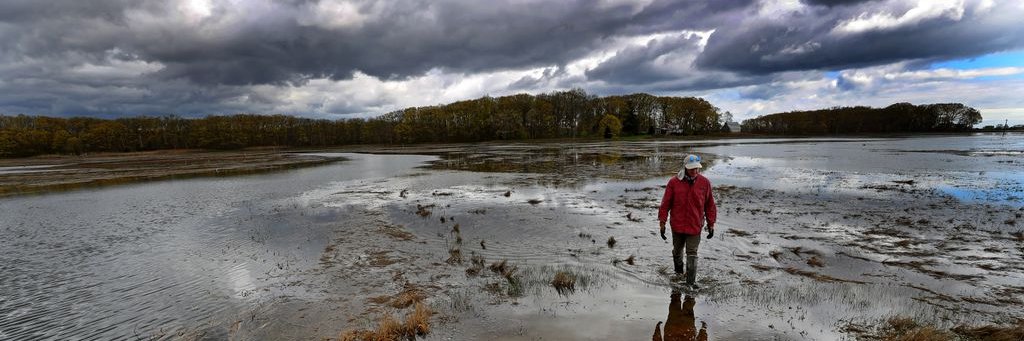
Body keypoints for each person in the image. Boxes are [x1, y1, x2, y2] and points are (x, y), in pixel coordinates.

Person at [658, 154, 716, 289]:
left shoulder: (705, 183)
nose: (695, 171)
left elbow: (710, 205)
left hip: (695, 226)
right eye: (692, 169)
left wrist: (711, 224)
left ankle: (690, 284)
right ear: (685, 167)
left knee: (692, 253)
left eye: (697, 168)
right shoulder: (673, 182)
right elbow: (665, 204)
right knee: (677, 252)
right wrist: (662, 223)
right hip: (677, 225)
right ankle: (679, 275)